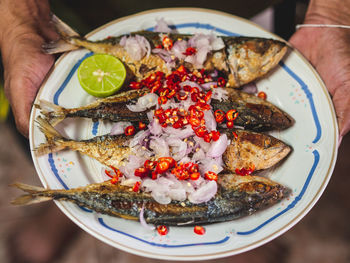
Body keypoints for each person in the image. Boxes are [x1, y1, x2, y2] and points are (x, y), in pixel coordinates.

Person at [1, 0, 349, 262]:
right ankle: (64, 199)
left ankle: (233, 243)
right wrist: (21, 21)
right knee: (44, 109)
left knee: (223, 227)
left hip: (248, 9)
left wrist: (331, 16)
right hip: (90, 10)